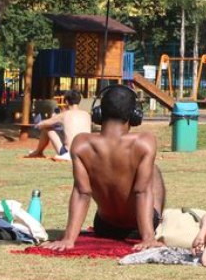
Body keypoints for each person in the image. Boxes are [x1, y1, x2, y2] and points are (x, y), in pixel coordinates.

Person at [41, 84, 165, 251]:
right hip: (137, 228)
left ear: (99, 113)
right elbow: (141, 191)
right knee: (154, 171)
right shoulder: (143, 142)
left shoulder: (81, 144)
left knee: (147, 171)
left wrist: (69, 239)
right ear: (135, 116)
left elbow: (81, 192)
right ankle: (152, 229)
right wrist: (148, 237)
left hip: (105, 226)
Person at [24, 89, 90, 160]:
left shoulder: (64, 115)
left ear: (67, 102)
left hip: (69, 153)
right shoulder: (87, 115)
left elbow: (42, 124)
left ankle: (38, 152)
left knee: (47, 128)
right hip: (85, 152)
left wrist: (39, 123)